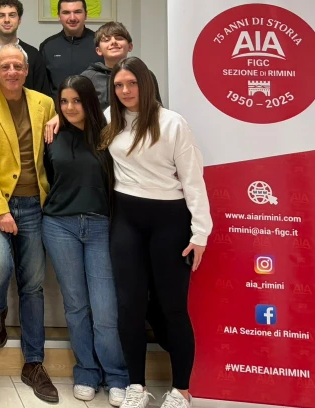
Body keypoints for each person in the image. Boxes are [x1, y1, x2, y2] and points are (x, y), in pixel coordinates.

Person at [103, 57, 211, 408]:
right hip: (126, 220)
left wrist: (200, 233)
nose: (125, 91)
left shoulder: (172, 123)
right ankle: (136, 386)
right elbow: (77, 120)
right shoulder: (109, 118)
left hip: (170, 221)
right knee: (129, 307)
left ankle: (182, 391)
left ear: (146, 84)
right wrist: (58, 117)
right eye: (119, 85)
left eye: (132, 83)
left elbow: (193, 179)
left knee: (173, 307)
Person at [0, 43, 58, 403]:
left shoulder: (44, 103)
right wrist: (0, 210)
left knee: (33, 285)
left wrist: (61, 119)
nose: (12, 72)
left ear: (27, 69)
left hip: (35, 203)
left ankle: (34, 363)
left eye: (18, 66)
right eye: (5, 66)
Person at [42, 77, 128, 406]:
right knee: (76, 306)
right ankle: (87, 372)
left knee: (105, 308)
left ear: (89, 101)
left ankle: (116, 375)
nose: (69, 107)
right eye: (63, 102)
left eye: (76, 100)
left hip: (100, 226)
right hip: (59, 226)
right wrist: (57, 119)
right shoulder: (51, 135)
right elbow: (47, 177)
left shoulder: (109, 136)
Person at [80, 22, 162, 111]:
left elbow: (156, 108)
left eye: (119, 38)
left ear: (130, 46)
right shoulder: (87, 78)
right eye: (106, 40)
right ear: (98, 50)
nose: (113, 42)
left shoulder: (145, 74)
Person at [38, 0, 95, 96]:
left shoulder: (100, 43)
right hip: (58, 105)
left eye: (77, 12)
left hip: (94, 106)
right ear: (59, 16)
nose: (72, 18)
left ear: (86, 15)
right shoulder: (48, 46)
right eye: (66, 13)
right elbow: (43, 87)